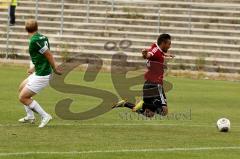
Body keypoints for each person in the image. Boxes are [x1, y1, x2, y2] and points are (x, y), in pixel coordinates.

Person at [112, 33, 174, 117]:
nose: (169, 46)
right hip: (156, 84)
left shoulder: (156, 48)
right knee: (164, 111)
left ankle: (126, 104)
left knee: (149, 114)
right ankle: (143, 104)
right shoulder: (155, 52)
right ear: (163, 43)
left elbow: (156, 53)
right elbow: (148, 55)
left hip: (147, 84)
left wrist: (165, 55)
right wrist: (144, 54)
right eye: (169, 44)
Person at [18, 19, 62, 128]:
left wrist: (55, 68)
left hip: (42, 74)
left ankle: (45, 116)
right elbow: (42, 56)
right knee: (21, 88)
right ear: (37, 27)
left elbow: (48, 55)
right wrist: (34, 68)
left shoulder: (34, 41)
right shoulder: (42, 37)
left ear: (26, 29)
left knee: (23, 98)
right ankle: (30, 116)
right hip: (38, 71)